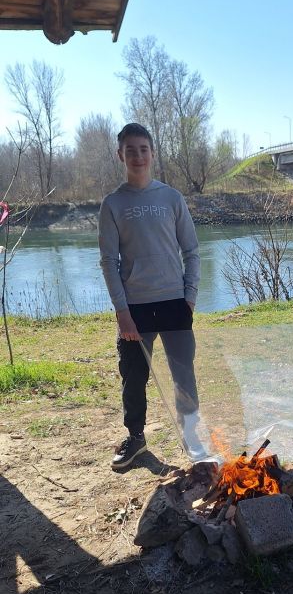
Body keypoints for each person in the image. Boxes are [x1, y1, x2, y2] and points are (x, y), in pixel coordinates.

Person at [98, 122, 208, 471]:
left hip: (174, 303)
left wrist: (189, 297)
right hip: (135, 309)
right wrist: (122, 311)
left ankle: (192, 436)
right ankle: (136, 437)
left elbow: (191, 251)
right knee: (133, 376)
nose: (138, 156)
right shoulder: (113, 204)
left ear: (152, 154)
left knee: (183, 374)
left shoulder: (171, 198)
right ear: (120, 156)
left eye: (143, 149)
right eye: (130, 150)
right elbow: (108, 261)